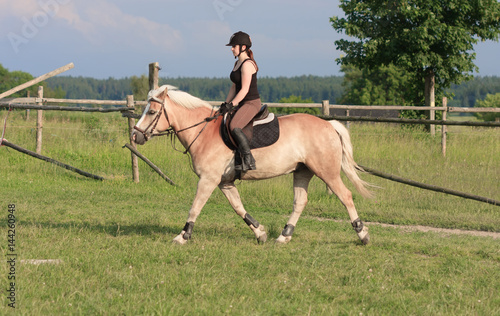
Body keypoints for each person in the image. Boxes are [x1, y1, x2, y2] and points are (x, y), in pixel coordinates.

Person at [220, 31, 262, 172]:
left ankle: (249, 160)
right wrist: (225, 104)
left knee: (234, 126)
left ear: (243, 47)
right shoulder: (237, 63)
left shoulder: (247, 64)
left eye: (234, 46)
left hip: (251, 103)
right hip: (242, 103)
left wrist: (232, 104)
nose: (231, 49)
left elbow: (244, 90)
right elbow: (234, 87)